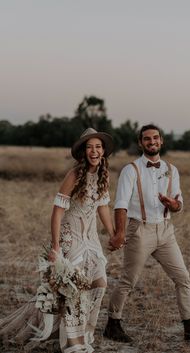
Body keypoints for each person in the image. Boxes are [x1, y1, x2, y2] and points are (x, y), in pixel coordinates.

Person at [0, 127, 115, 353]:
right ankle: (72, 343)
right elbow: (57, 211)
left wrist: (112, 234)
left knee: (99, 283)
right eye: (90, 147)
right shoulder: (74, 175)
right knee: (72, 289)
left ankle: (83, 333)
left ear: (103, 151)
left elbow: (103, 207)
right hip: (70, 238)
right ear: (83, 151)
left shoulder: (103, 175)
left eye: (98, 147)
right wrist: (55, 247)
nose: (94, 151)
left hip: (91, 239)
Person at [104, 124, 190, 344]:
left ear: (161, 141)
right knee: (128, 280)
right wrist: (119, 233)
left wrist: (173, 204)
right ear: (140, 143)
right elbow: (121, 205)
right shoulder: (131, 169)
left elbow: (179, 203)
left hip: (166, 231)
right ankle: (112, 324)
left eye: (155, 138)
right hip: (140, 230)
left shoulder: (172, 170)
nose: (152, 142)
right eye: (147, 139)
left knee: (183, 278)